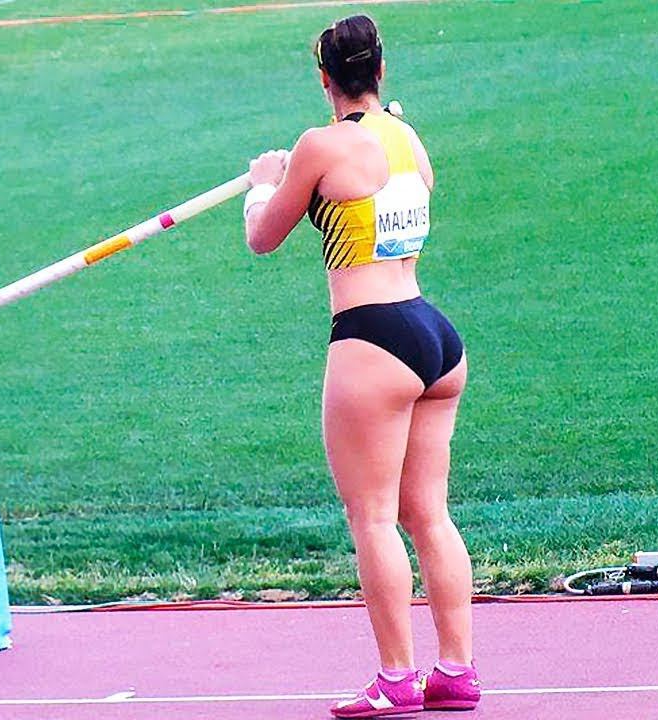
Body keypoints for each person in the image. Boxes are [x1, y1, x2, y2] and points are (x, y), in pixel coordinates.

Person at [242, 15, 479, 717]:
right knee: (428, 514)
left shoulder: (318, 146)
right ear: (381, 71)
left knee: (373, 519)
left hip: (371, 337)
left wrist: (264, 182)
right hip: (434, 336)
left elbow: (262, 236)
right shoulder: (407, 136)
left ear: (325, 79)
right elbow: (408, 190)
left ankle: (397, 678)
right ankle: (456, 671)